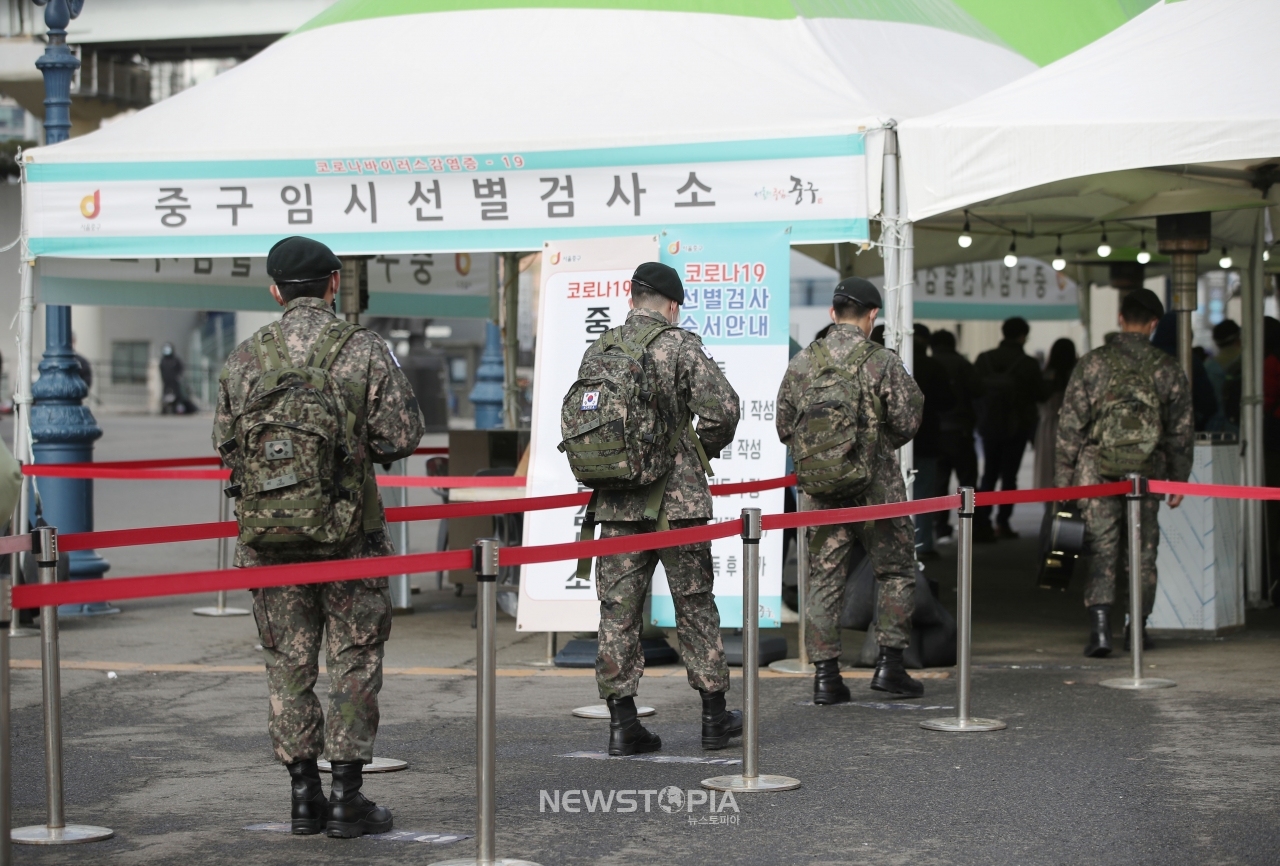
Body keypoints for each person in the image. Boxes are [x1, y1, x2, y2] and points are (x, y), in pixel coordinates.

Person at [213, 236, 425, 838]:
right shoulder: (363, 350)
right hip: (349, 538)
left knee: (287, 665)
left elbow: (225, 443)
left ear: (275, 290)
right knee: (354, 661)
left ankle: (302, 797)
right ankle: (346, 798)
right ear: (334, 282)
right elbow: (401, 436)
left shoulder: (244, 358)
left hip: (268, 541)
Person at [577, 262, 742, 756]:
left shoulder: (600, 348)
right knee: (693, 603)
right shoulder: (678, 344)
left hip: (617, 501)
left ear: (631, 299)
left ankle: (622, 724)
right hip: (678, 501)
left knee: (618, 612)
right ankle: (714, 718)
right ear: (673, 305)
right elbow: (723, 410)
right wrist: (693, 452)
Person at [776, 278, 925, 702]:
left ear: (832, 313)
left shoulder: (803, 362)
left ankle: (826, 678)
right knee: (895, 571)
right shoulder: (882, 362)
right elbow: (910, 419)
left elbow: (785, 426)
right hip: (877, 488)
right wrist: (873, 447)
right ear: (872, 315)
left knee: (823, 577)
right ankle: (889, 666)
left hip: (820, 490)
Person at [1054, 288, 1193, 657]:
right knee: (1143, 554)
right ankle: (1136, 629)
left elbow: (1070, 427)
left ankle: (1100, 631)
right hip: (1146, 475)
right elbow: (1180, 431)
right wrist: (1178, 480)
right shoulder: (1167, 368)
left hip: (1095, 474)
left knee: (1102, 549)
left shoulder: (1092, 364)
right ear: (1153, 324)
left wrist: (1063, 483)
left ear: (1120, 318)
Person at [973, 317, 1045, 541]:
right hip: (1017, 427)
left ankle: (982, 520)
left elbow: (973, 391)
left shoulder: (984, 359)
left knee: (988, 475)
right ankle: (1003, 522)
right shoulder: (1028, 364)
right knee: (1009, 477)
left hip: (988, 426)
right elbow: (1040, 394)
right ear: (1022, 336)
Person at [929, 329, 982, 543]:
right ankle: (969, 528)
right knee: (968, 483)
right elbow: (978, 390)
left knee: (939, 483)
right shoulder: (963, 364)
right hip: (961, 431)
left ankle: (941, 528)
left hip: (936, 433)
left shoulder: (928, 364)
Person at [910, 323, 955, 559]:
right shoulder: (933, 366)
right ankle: (923, 543)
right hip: (927, 437)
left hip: (892, 441)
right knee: (924, 492)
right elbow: (948, 401)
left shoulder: (890, 362)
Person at [1152, 312, 1216, 431]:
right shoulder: (1191, 361)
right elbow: (1208, 403)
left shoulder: (1147, 358)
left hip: (1148, 431)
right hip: (1183, 431)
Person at [1033, 338, 1078, 496]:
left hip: (1048, 425)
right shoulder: (1077, 374)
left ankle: (1051, 506)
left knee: (1048, 468)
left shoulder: (1046, 375)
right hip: (1073, 427)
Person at [1204, 319, 1242, 434]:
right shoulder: (1248, 364)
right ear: (1238, 339)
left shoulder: (1208, 367)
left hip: (1214, 429)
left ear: (1216, 342)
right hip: (1241, 427)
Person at [159, 342, 195, 414]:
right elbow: (161, 369)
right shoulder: (163, 360)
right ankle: (164, 409)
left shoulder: (175, 360)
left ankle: (178, 408)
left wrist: (178, 376)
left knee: (178, 396)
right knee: (165, 395)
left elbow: (181, 368)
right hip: (166, 382)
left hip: (175, 382)